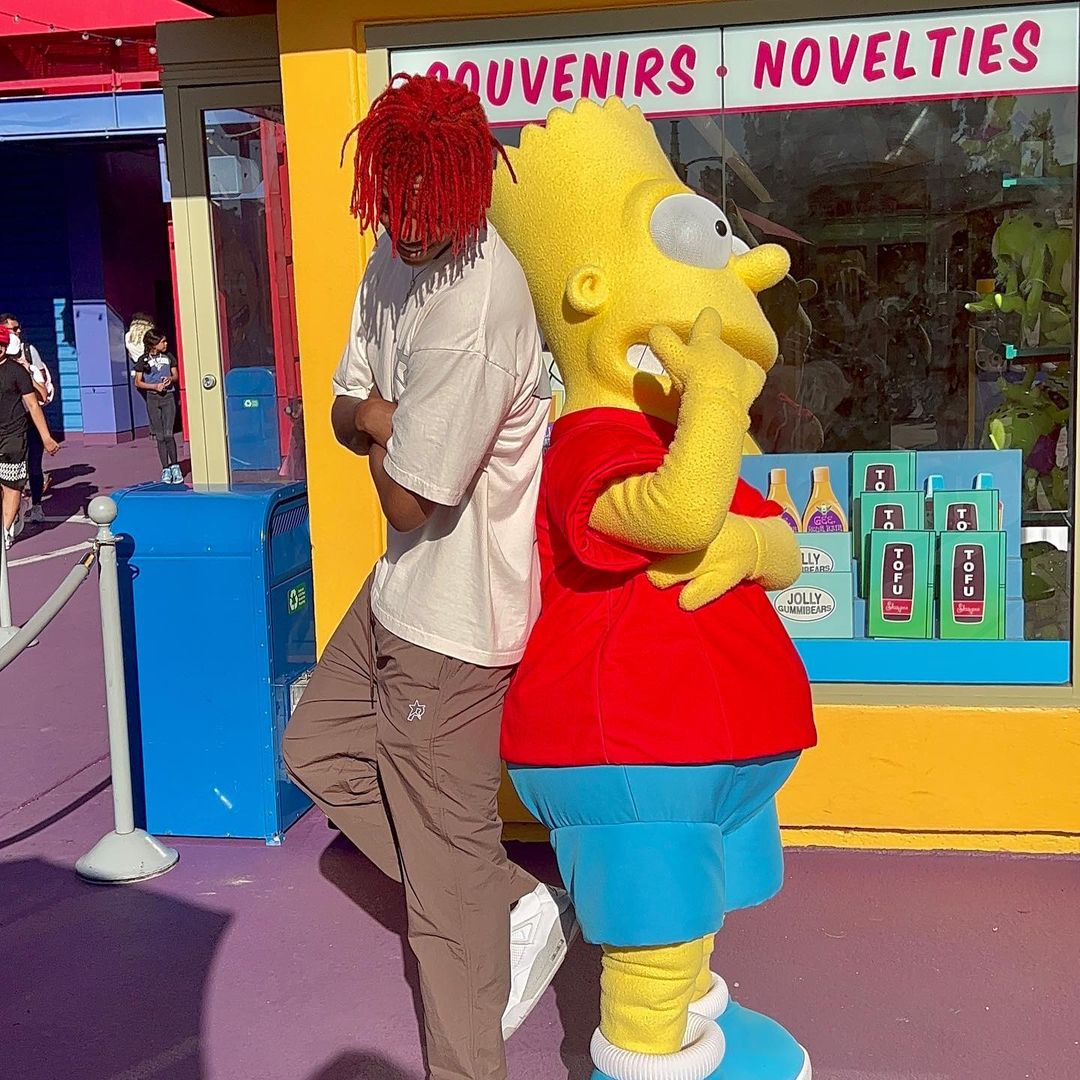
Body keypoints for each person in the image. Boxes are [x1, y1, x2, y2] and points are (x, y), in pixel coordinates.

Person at [281, 74, 575, 1080]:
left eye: (424, 208)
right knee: (316, 749)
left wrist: (378, 422)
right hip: (397, 593)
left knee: (444, 937)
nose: (406, 228)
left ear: (463, 190)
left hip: (457, 627)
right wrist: (379, 419)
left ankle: (475, 929)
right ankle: (505, 900)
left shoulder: (478, 306)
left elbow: (413, 501)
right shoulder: (392, 256)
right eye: (393, 204)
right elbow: (342, 408)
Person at [0, 324, 58, 548]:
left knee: (12, 484)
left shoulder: (17, 371)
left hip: (14, 434)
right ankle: (15, 513)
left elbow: (34, 405)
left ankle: (5, 532)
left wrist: (46, 438)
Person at [134, 329, 182, 485]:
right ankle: (165, 468)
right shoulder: (143, 360)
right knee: (160, 436)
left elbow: (176, 375)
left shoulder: (168, 357)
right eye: (162, 342)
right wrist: (154, 386)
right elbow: (138, 382)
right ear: (154, 344)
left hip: (168, 398)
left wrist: (170, 379)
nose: (165, 344)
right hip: (153, 399)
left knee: (168, 434)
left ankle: (175, 466)